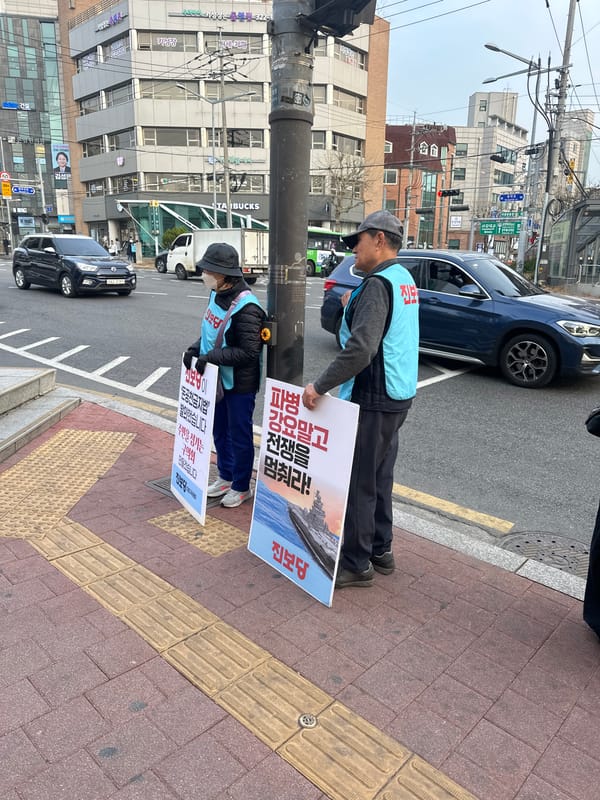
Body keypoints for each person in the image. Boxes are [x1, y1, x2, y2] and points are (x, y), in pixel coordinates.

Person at [302, 210, 419, 588]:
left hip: (373, 394)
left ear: (379, 240)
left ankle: (356, 563)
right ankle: (381, 550)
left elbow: (360, 349)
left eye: (359, 243)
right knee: (381, 475)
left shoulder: (377, 285)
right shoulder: (403, 279)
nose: (354, 252)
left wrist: (319, 386)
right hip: (399, 394)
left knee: (358, 482)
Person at [182, 242, 265, 508]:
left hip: (239, 384)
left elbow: (249, 352)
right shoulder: (215, 294)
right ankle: (226, 477)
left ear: (224, 275)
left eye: (208, 270)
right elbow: (211, 333)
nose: (204, 274)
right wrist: (195, 349)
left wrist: (211, 357)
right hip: (215, 379)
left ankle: (242, 486)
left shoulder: (248, 307)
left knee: (239, 435)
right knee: (219, 430)